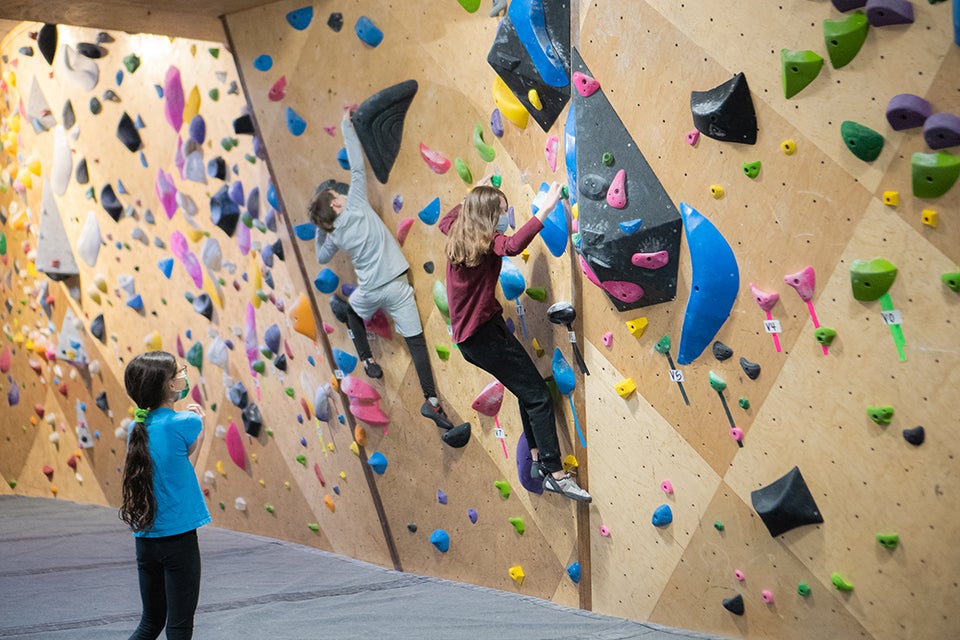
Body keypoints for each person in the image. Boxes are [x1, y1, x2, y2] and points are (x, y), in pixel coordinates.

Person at [309, 107, 469, 445]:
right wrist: (345, 123)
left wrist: (321, 228)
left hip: (372, 290)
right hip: (397, 285)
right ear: (337, 204)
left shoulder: (334, 234)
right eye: (335, 196)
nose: (339, 193)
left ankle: (367, 358)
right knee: (416, 344)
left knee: (353, 313)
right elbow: (356, 164)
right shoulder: (354, 203)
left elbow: (321, 255)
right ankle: (433, 401)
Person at [440, 181, 591, 502]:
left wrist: (475, 197)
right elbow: (511, 246)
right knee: (538, 397)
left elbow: (448, 217)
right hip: (484, 337)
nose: (506, 215)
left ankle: (537, 459)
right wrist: (546, 209)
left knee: (527, 391)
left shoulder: (457, 233)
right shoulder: (486, 242)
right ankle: (555, 473)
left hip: (476, 338)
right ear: (487, 217)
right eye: (502, 212)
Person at [119, 351, 211, 639]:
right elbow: (187, 462)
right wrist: (202, 429)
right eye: (179, 371)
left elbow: (176, 469)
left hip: (145, 542)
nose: (183, 375)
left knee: (150, 622)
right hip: (178, 541)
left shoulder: (137, 428)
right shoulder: (186, 422)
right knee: (179, 625)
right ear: (171, 385)